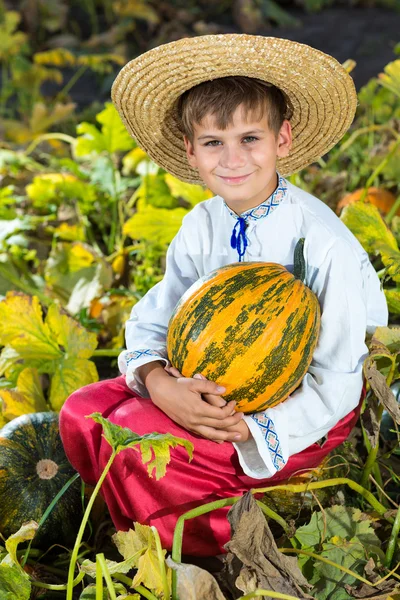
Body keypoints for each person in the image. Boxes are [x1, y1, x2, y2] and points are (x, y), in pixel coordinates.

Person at [60, 34, 388, 557]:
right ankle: (134, 529)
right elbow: (156, 316)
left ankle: (204, 549)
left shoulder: (322, 242)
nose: (232, 159)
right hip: (197, 385)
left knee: (136, 435)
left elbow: (340, 383)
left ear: (283, 138)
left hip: (296, 414)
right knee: (82, 411)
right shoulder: (202, 223)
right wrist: (156, 379)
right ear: (190, 151)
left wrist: (249, 426)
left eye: (249, 138)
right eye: (214, 142)